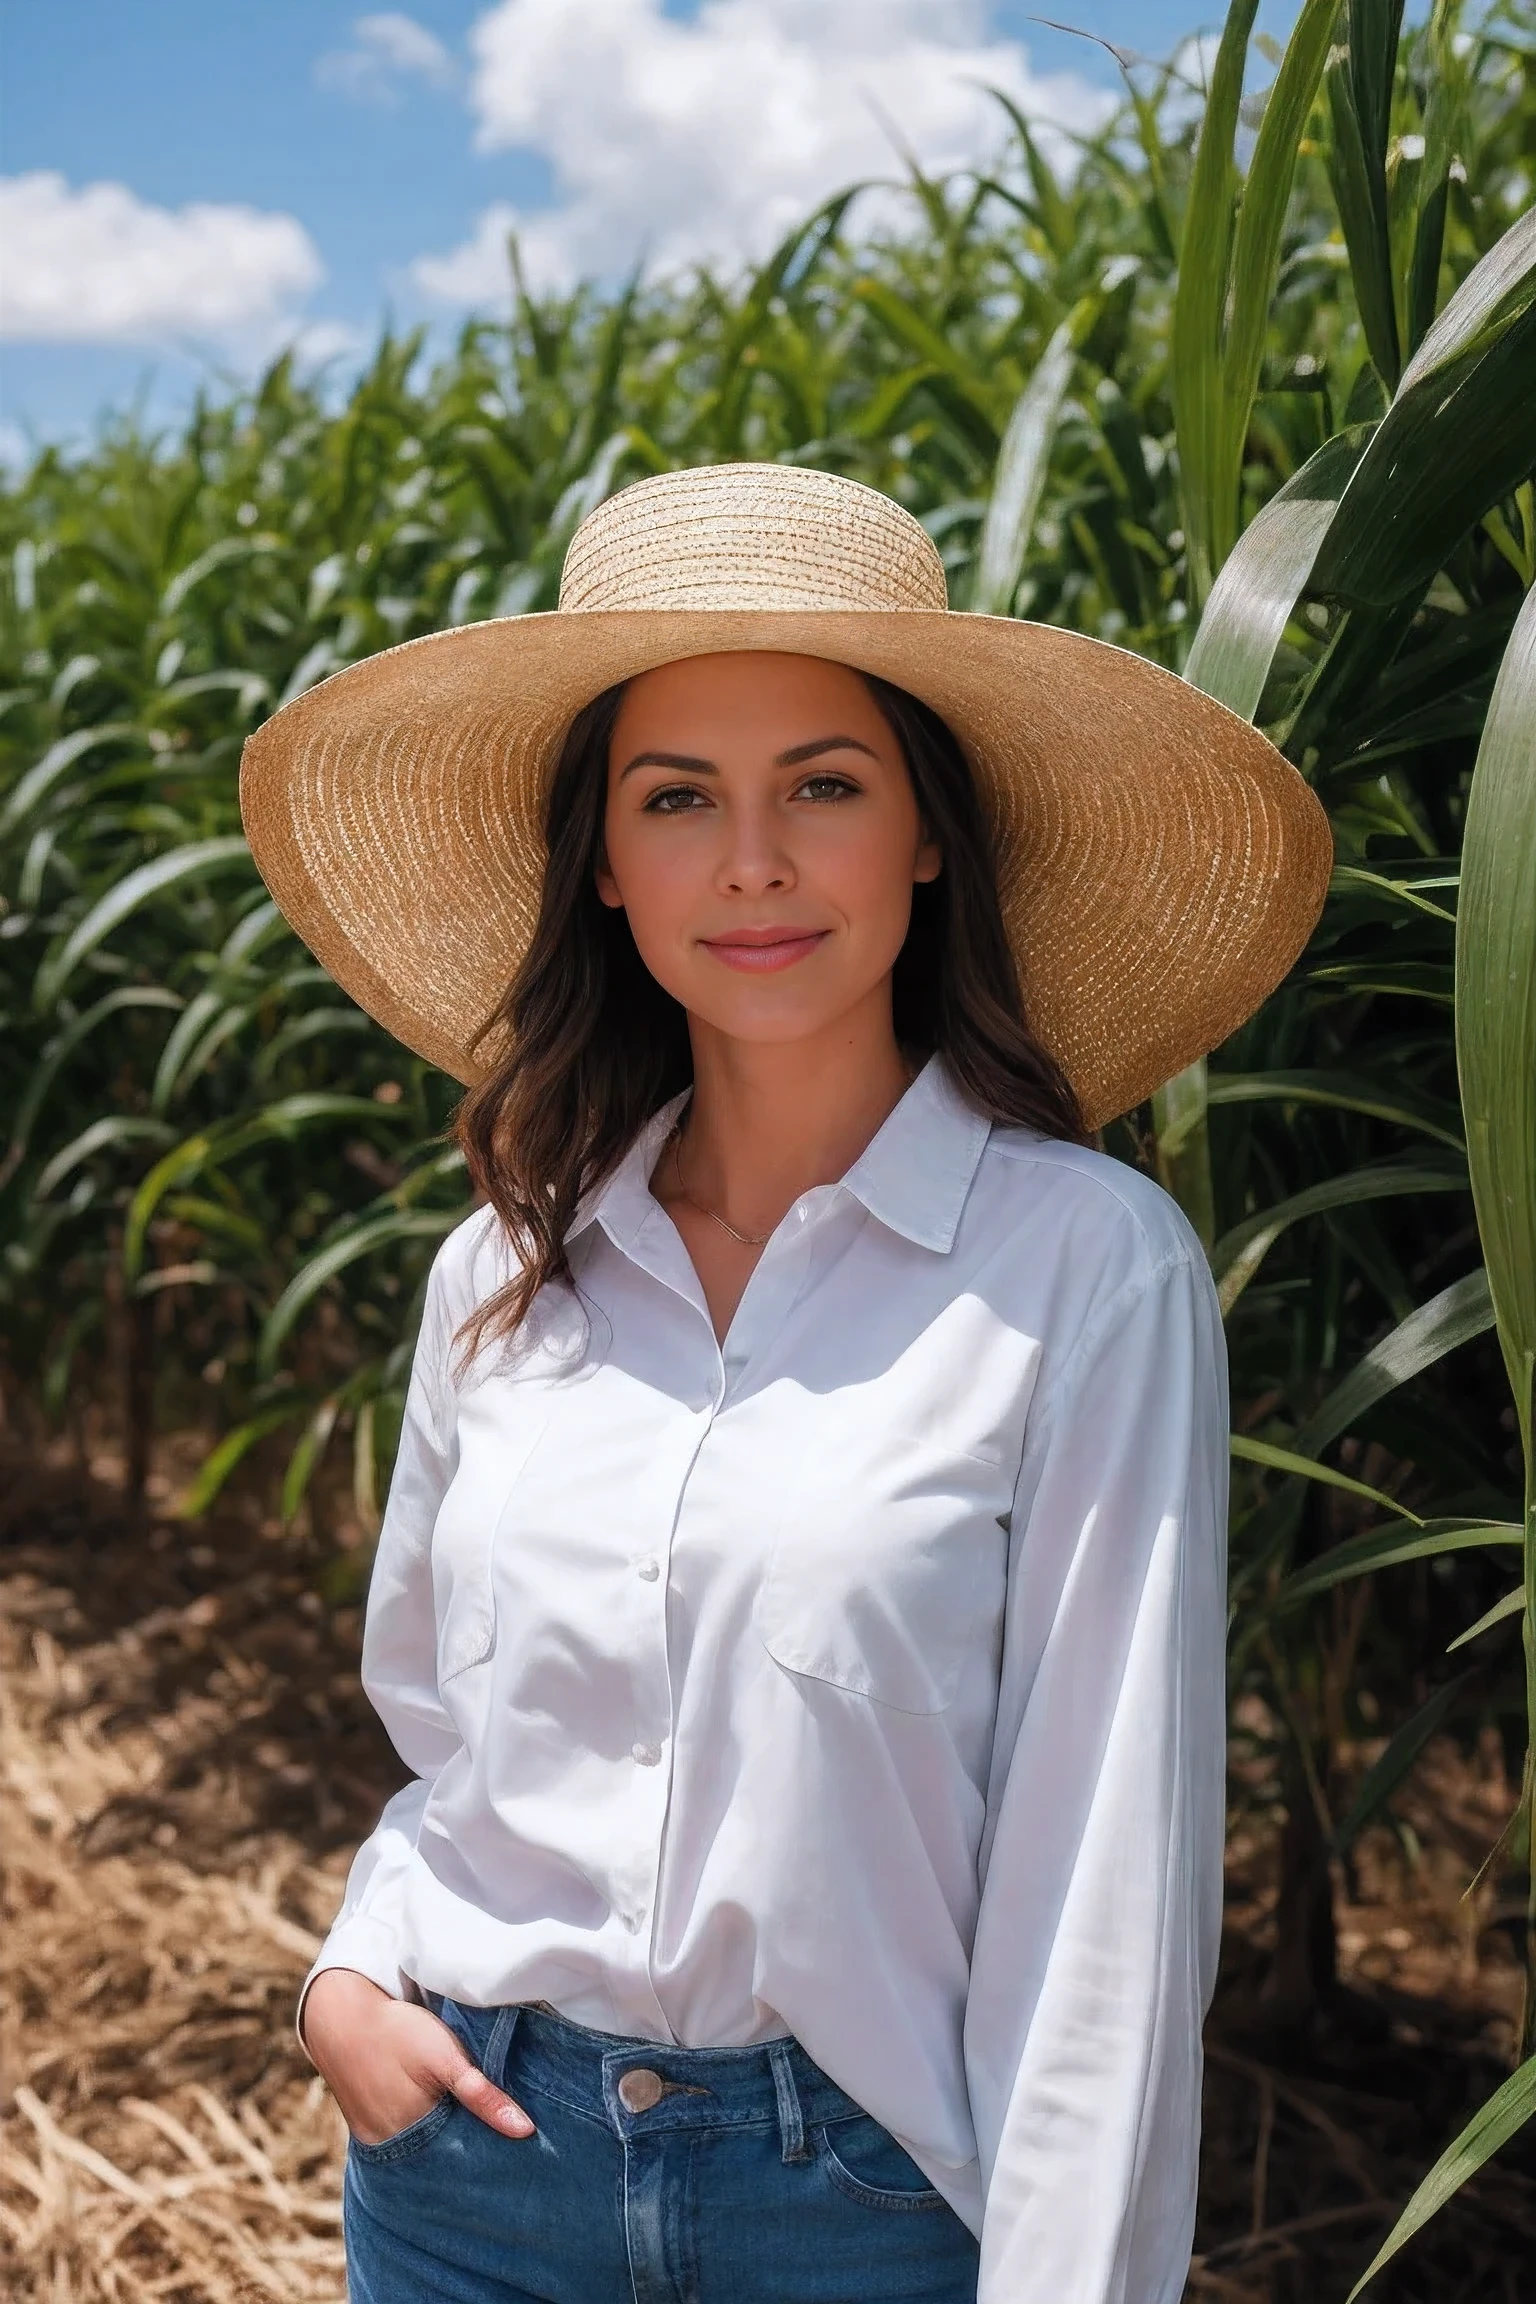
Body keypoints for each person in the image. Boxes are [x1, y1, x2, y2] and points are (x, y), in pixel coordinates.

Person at [240, 461, 1332, 2304]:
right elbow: (445, 1732)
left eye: (823, 784)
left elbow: (1108, 1893)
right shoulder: (500, 1270)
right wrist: (350, 1971)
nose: (752, 860)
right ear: (606, 862)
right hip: (469, 2185)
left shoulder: (1082, 1269)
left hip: (865, 2212)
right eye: (679, 799)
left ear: (926, 830)